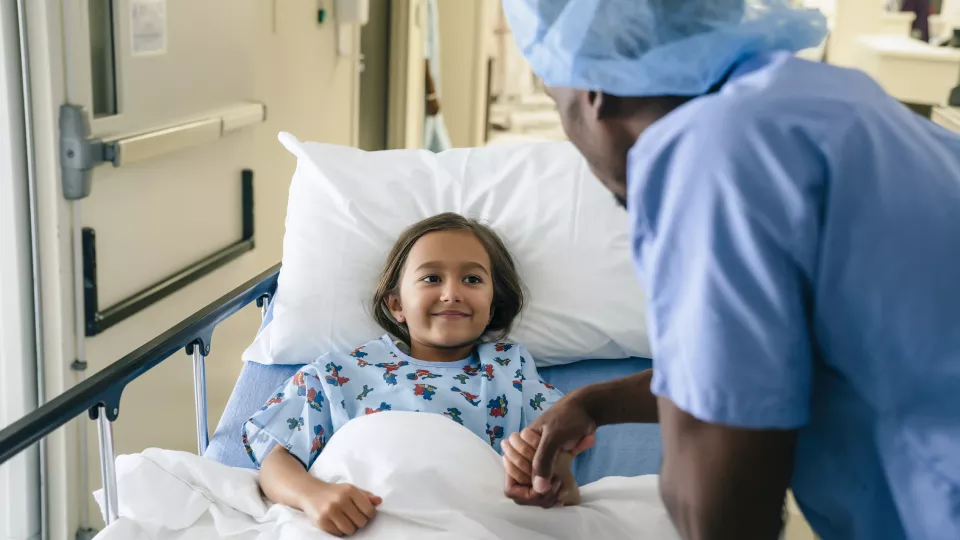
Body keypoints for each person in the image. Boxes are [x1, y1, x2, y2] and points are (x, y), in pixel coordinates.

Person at [497, 1, 960, 539]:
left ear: (593, 93)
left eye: (558, 103)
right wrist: (593, 403)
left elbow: (724, 511)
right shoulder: (828, 98)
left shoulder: (711, 158)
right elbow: (755, 363)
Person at [241, 213, 585, 537]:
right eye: (431, 278)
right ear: (397, 305)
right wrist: (313, 496)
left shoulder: (509, 370)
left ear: (492, 305)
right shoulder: (339, 373)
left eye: (473, 279)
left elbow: (555, 441)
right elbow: (276, 458)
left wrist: (558, 473)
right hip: (362, 522)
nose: (452, 293)